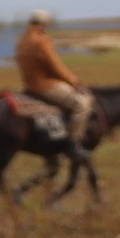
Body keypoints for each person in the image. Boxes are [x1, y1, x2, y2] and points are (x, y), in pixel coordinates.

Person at [14, 10, 91, 144]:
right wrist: (74, 81)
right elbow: (55, 66)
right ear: (44, 23)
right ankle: (73, 144)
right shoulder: (41, 41)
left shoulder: (21, 40)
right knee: (82, 105)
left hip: (29, 86)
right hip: (45, 86)